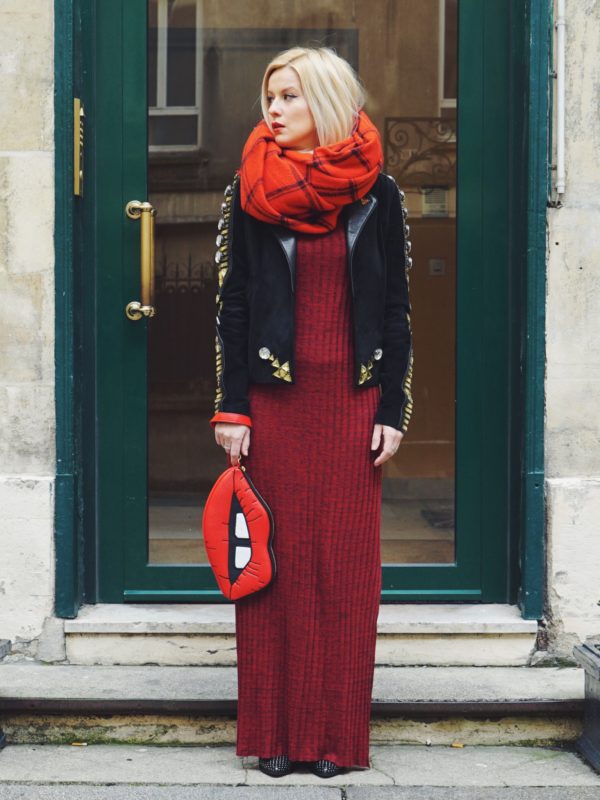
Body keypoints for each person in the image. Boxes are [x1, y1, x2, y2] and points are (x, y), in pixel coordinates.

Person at [210, 46, 414, 779]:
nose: (273, 108)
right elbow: (232, 308)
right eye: (270, 95)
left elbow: (395, 309)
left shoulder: (377, 194)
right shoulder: (249, 188)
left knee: (345, 573)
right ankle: (275, 735)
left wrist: (393, 405)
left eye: (290, 96)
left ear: (323, 101)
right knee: (274, 569)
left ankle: (334, 739)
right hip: (275, 402)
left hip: (352, 403)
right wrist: (232, 407)